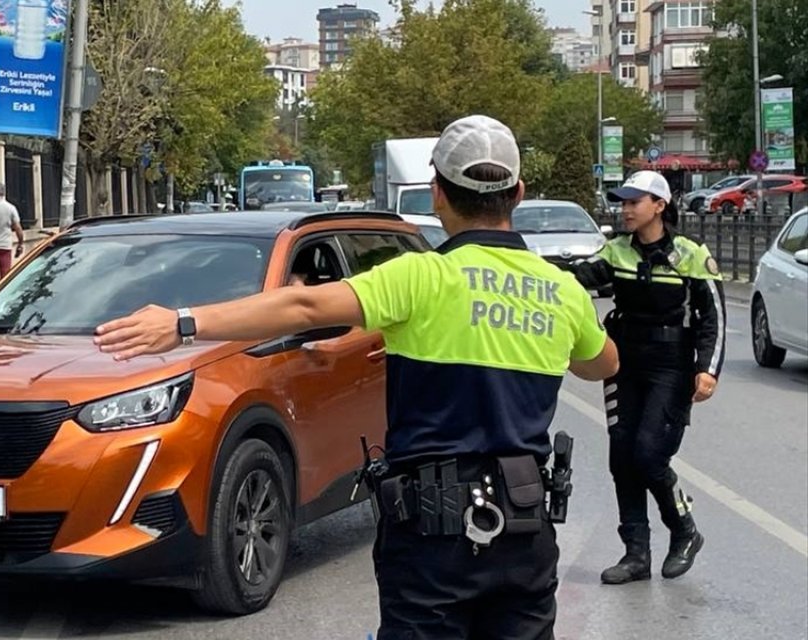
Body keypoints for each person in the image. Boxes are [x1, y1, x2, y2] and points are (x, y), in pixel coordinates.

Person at [92, 115, 619, 639]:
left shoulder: (420, 277)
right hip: (524, 530)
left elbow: (302, 306)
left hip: (432, 536)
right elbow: (604, 363)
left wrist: (183, 323)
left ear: (438, 193)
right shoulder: (562, 291)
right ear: (518, 192)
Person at [562, 170, 722, 585]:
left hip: (671, 365)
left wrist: (707, 369)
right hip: (623, 364)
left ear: (659, 206)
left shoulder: (689, 254)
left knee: (649, 455)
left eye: (635, 202)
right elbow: (575, 280)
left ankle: (685, 530)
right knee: (622, 456)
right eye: (623, 202)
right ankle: (636, 554)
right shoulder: (615, 252)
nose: (626, 209)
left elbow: (713, 320)